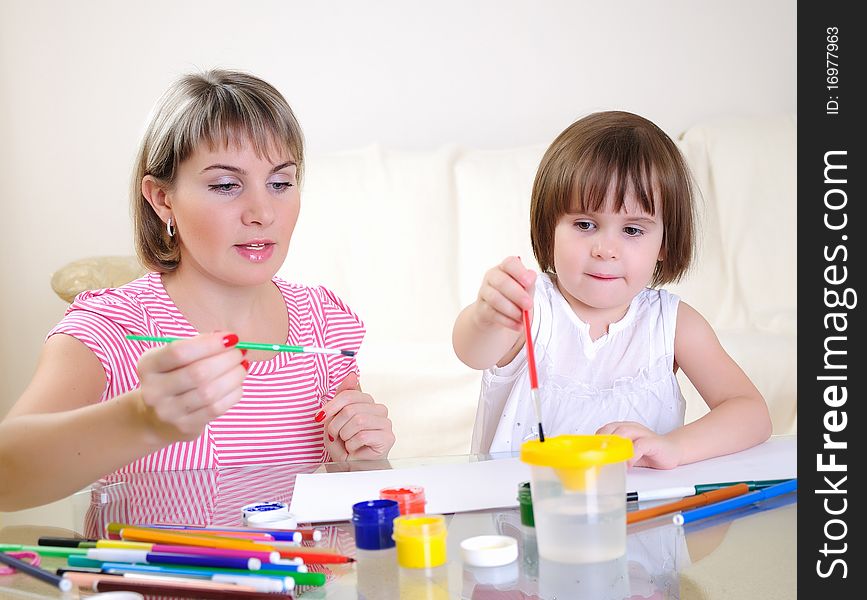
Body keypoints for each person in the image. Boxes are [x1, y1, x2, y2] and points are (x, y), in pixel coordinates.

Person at [0, 69, 394, 511]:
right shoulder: (111, 328)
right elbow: (5, 475)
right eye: (226, 185)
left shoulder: (325, 324)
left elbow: (350, 511)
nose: (262, 212)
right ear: (161, 198)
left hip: (299, 580)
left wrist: (360, 464)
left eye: (281, 182)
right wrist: (141, 419)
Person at [452, 110, 772, 467]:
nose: (605, 249)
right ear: (549, 230)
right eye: (585, 224)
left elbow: (751, 413)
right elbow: (472, 351)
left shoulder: (673, 324)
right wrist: (487, 315)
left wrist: (675, 448)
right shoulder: (533, 307)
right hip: (522, 515)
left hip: (638, 517)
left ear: (665, 243)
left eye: (633, 230)